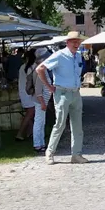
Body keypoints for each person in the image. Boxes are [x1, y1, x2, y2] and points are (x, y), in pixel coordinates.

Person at [37, 31, 88, 165]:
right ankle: (49, 152)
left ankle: (76, 155)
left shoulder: (78, 56)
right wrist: (49, 87)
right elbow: (40, 69)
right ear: (67, 42)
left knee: (78, 126)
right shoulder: (59, 55)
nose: (77, 44)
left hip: (75, 93)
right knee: (60, 124)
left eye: (78, 41)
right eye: (74, 41)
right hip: (62, 93)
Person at [32, 48, 52, 153]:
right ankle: (37, 144)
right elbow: (38, 90)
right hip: (40, 101)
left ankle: (41, 143)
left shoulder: (42, 69)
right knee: (39, 122)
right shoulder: (39, 70)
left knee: (41, 122)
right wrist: (43, 102)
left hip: (43, 100)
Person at [15, 50, 37, 142]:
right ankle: (20, 133)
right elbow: (31, 81)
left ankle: (30, 132)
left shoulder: (22, 67)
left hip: (22, 92)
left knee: (29, 114)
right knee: (30, 114)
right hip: (29, 93)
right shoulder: (32, 67)